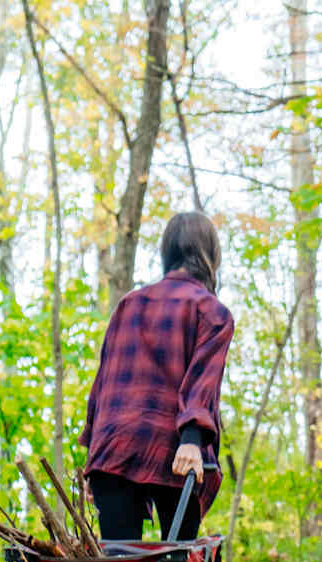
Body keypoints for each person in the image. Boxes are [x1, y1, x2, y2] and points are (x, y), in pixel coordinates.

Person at [80, 211, 234, 543]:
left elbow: (103, 386)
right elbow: (202, 382)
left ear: (167, 253)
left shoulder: (129, 303)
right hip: (176, 450)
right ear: (210, 255)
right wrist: (193, 441)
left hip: (115, 447)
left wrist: (96, 456)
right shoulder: (212, 311)